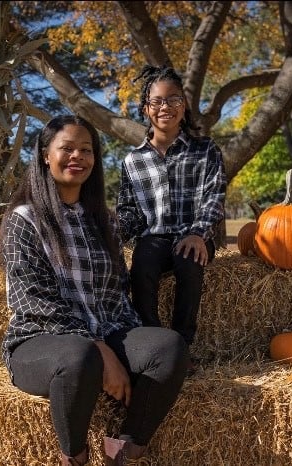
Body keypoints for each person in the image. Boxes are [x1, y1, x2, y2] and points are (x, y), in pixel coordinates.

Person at [0, 114, 188, 465]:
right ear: (44, 155)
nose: (77, 157)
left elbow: (116, 294)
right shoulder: (25, 220)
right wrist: (99, 351)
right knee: (79, 357)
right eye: (66, 148)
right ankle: (75, 458)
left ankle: (125, 452)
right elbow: (34, 300)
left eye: (86, 150)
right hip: (42, 340)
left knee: (168, 346)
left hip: (106, 332)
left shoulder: (104, 221)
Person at [116, 65, 227, 374]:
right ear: (145, 108)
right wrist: (111, 236)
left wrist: (199, 232)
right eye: (157, 101)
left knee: (189, 265)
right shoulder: (133, 160)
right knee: (141, 269)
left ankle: (181, 347)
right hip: (154, 237)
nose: (165, 107)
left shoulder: (205, 150)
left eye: (173, 99)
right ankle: (152, 346)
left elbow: (214, 195)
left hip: (193, 233)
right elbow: (129, 211)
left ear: (184, 105)